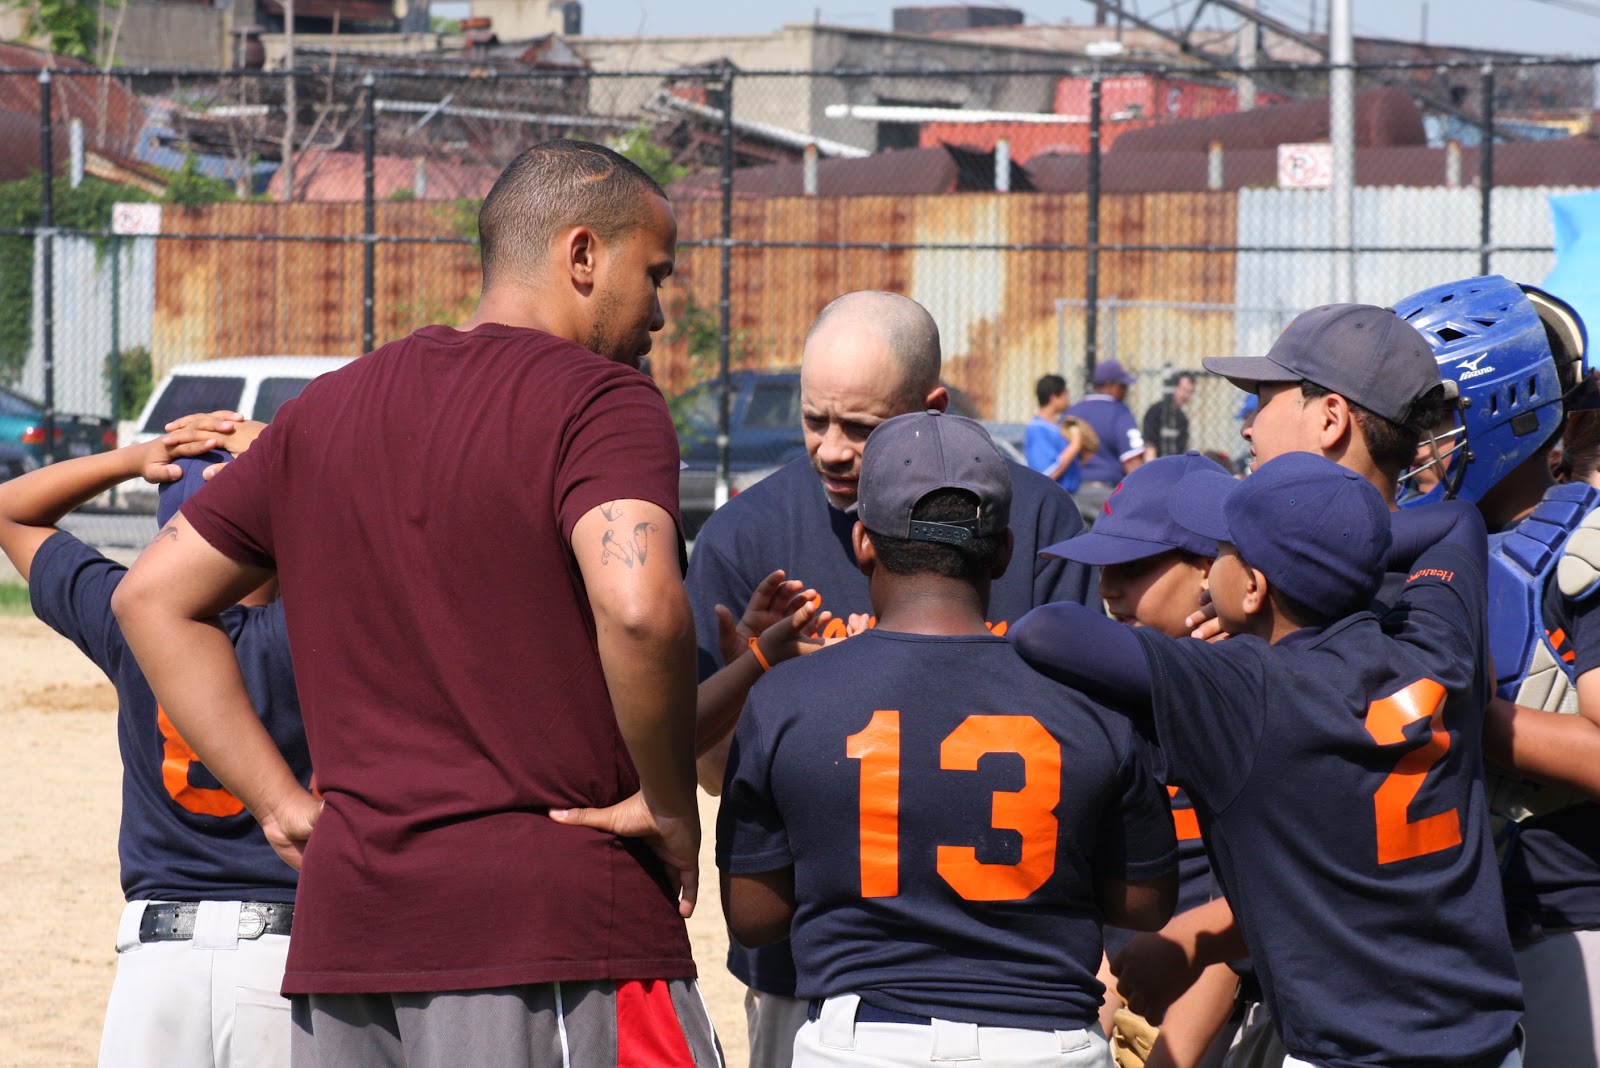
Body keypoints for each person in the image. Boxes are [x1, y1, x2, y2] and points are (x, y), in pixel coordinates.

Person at [111, 139, 721, 1064]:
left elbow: (150, 598)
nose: (661, 316)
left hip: (348, 936)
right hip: (547, 925)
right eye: (657, 274)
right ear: (583, 254)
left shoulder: (324, 410)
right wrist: (671, 803)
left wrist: (278, 803)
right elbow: (639, 608)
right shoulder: (603, 401)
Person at [686, 289, 1096, 1068]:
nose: (832, 450)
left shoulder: (1033, 520)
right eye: (815, 420)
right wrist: (752, 673)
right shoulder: (749, 533)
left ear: (932, 406)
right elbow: (708, 774)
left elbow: (1092, 747)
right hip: (815, 984)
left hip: (1017, 975)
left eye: (861, 427)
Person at [1011, 451, 1526, 1068]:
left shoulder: (1246, 688)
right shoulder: (1434, 645)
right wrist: (1335, 551)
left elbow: (1044, 630)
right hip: (1487, 1041)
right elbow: (1456, 523)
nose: (1209, 570)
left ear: (1253, 587)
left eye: (1224, 552)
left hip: (1355, 1054)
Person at [717, 409, 1178, 1068]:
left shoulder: (788, 698)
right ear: (1005, 552)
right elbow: (1144, 901)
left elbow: (756, 917)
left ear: (864, 543)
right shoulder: (1094, 697)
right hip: (1045, 1043)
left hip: (862, 1042)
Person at [0, 412, 300, 1068]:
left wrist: (134, 457)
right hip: (285, 956)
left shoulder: (127, 620)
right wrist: (292, 460)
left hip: (156, 963)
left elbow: (12, 512)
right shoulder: (316, 626)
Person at [1395, 275, 1598, 1068]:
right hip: (1448, 940)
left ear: (1502, 408)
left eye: (1437, 419)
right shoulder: (1418, 545)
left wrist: (1466, 719)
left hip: (1570, 928)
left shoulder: (1578, 554)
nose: (1417, 445)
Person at [1039, 452, 1244, 1068]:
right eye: (1102, 567)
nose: (1105, 588)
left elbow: (1239, 921)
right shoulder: (1113, 691)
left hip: (1232, 1005)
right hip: (1125, 987)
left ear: (1209, 570)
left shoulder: (1246, 697)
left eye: (1131, 567)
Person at [1203, 303, 1455, 512]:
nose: (1247, 429)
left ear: (1330, 421)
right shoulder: (1428, 559)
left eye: (1265, 403)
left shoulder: (1295, 567)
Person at [1067, 358, 1147, 523]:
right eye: (1122, 385)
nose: (1126, 390)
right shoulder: (1119, 412)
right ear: (1109, 385)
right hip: (1107, 495)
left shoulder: (1072, 411)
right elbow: (1133, 462)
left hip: (1072, 493)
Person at [1026, 373, 1084, 492]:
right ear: (1053, 398)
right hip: (1053, 498)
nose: (1068, 399)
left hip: (1069, 495)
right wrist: (1075, 446)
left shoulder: (1059, 426)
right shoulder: (1037, 430)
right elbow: (1046, 472)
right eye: (1065, 395)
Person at [1142, 371, 1195, 459]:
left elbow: (1182, 449)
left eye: (1190, 392)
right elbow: (1150, 447)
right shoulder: (1155, 412)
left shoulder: (1182, 418)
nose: (1186, 396)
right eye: (1184, 390)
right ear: (1174, 388)